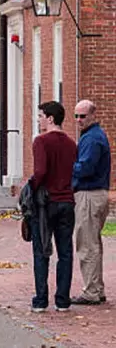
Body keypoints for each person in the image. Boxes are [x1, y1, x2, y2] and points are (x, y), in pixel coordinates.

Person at [22, 101, 78, 312]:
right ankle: (62, 300)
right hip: (67, 201)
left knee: (41, 250)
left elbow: (40, 172)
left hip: (46, 204)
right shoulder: (72, 144)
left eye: (40, 116)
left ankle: (41, 300)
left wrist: (31, 187)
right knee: (65, 252)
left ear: (50, 118)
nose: (38, 120)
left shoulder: (41, 141)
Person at [71, 100, 112, 305]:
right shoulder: (92, 136)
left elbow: (84, 168)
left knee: (87, 244)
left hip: (89, 194)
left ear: (93, 116)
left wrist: (66, 168)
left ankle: (92, 291)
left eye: (83, 116)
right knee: (93, 242)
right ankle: (97, 288)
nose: (79, 120)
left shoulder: (92, 139)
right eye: (76, 116)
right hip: (96, 194)